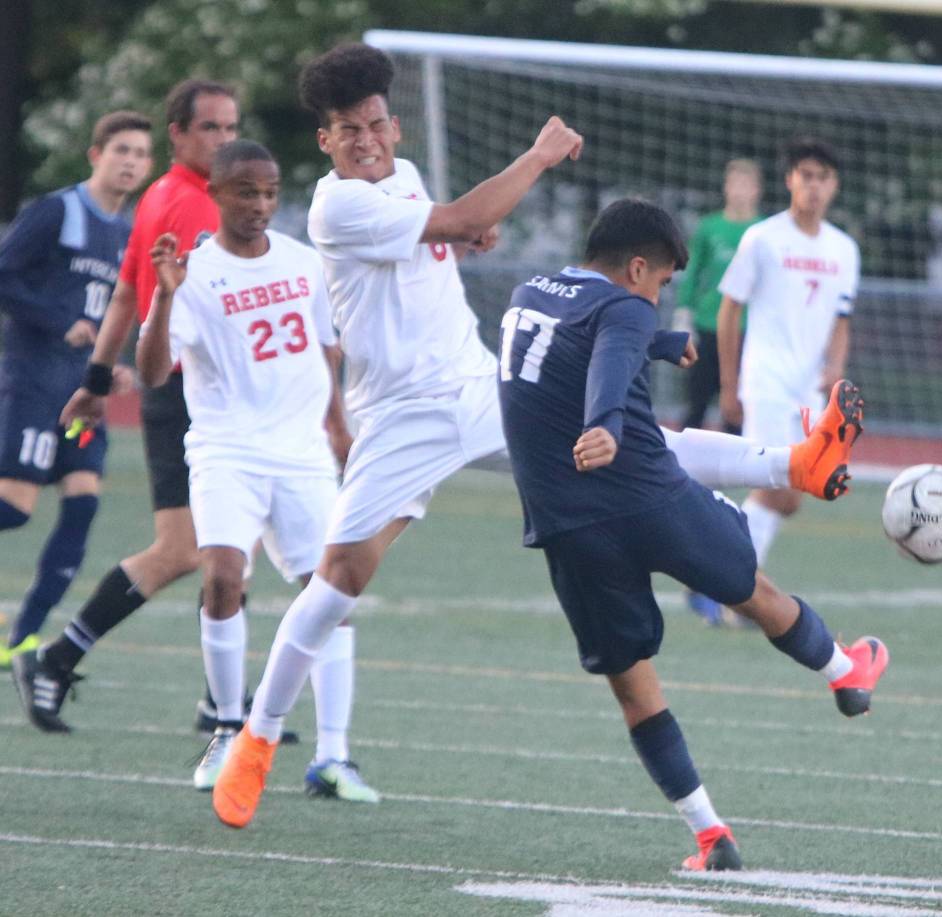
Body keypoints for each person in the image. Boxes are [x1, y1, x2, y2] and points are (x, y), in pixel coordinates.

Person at [209, 42, 864, 830]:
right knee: (339, 576)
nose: (368, 141)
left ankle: (792, 459)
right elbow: (461, 217)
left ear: (393, 123)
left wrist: (460, 239)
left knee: (630, 436)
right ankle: (260, 736)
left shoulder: (403, 177)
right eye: (349, 131)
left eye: (377, 124)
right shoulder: (331, 205)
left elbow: (442, 232)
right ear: (327, 140)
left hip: (478, 387)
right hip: (398, 416)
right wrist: (537, 157)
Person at [496, 197, 887, 871]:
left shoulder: (531, 292)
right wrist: (607, 422)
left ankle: (710, 835)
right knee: (754, 590)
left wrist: (659, 346)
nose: (656, 298)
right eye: (661, 284)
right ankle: (844, 671)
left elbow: (596, 339)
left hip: (568, 524)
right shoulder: (624, 306)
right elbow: (613, 360)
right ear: (638, 266)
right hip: (647, 496)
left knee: (632, 683)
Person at [133, 140, 376, 800]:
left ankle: (334, 755)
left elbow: (325, 350)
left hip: (301, 455)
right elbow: (152, 372)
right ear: (217, 194)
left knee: (330, 597)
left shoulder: (304, 262)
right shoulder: (194, 272)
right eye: (247, 192)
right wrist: (162, 298)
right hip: (226, 452)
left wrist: (337, 422)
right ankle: (226, 728)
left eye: (269, 192)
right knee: (221, 575)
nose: (261, 205)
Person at [13, 80, 240, 732]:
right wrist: (108, 371)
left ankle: (219, 699)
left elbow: (120, 297)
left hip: (217, 400)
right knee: (179, 550)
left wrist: (95, 374)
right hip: (181, 396)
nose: (223, 140)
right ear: (180, 134)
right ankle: (57, 655)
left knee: (229, 547)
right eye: (211, 129)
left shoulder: (168, 199)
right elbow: (157, 304)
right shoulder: (180, 204)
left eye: (231, 128)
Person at [0, 111, 153, 670]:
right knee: (15, 511)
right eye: (121, 150)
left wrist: (113, 366)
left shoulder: (129, 232)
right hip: (34, 382)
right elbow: (4, 275)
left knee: (83, 502)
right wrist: (59, 320)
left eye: (140, 153)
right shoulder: (58, 212)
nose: (130, 161)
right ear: (96, 155)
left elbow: (115, 313)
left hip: (80, 392)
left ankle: (21, 638)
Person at [718, 137, 860, 570]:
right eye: (806, 176)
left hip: (808, 389)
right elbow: (729, 310)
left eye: (823, 177)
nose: (814, 186)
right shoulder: (762, 238)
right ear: (790, 181)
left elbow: (841, 318)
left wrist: (835, 368)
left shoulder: (843, 249)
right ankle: (729, 585)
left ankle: (718, 573)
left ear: (834, 185)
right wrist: (729, 385)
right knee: (775, 486)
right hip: (765, 381)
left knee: (792, 497)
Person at [675, 158, 763, 626]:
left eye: (748, 181)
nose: (741, 188)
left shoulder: (764, 231)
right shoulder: (710, 227)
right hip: (709, 330)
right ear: (727, 186)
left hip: (749, 335)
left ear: (758, 189)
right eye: (735, 180)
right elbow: (692, 274)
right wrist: (684, 315)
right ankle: (683, 474)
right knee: (695, 407)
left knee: (737, 421)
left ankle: (724, 475)